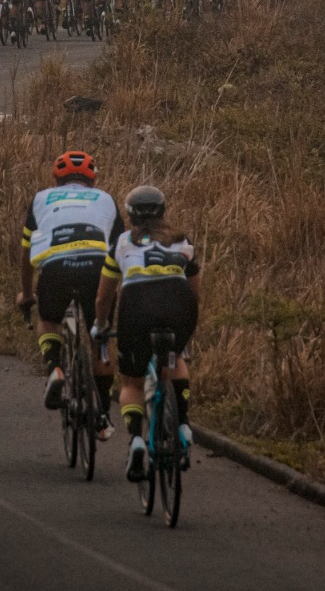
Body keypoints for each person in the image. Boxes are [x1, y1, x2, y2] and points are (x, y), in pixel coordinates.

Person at [93, 185, 199, 482]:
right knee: (175, 357)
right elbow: (195, 291)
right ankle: (184, 425)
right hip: (179, 303)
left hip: (137, 306)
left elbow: (103, 298)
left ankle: (137, 440)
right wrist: (187, 325)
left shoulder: (122, 242)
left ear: (130, 215)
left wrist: (100, 326)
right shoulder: (182, 240)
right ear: (163, 211)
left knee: (132, 381)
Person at [16, 151, 122, 431]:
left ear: (56, 178)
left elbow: (27, 254)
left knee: (48, 320)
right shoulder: (106, 199)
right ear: (93, 179)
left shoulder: (41, 198)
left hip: (56, 268)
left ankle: (55, 368)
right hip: (96, 269)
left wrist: (26, 294)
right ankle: (102, 414)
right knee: (100, 337)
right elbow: (120, 251)